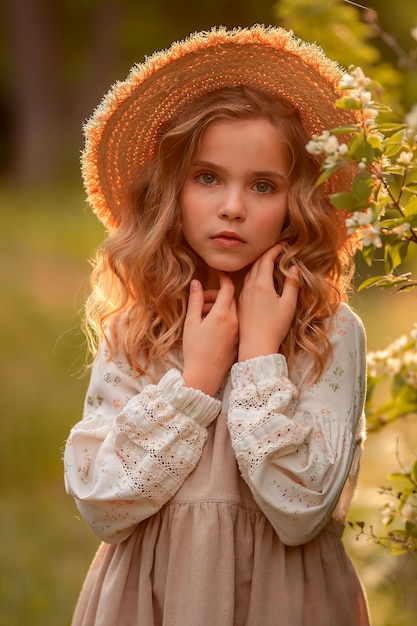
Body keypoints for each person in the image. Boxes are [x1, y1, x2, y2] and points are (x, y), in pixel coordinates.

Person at [64, 25, 371, 626]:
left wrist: (259, 355)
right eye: (208, 177)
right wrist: (198, 382)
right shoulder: (140, 324)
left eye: (263, 185)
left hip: (285, 600)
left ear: (297, 202)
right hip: (152, 598)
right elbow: (104, 504)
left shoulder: (330, 331)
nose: (233, 206)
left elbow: (300, 507)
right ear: (171, 191)